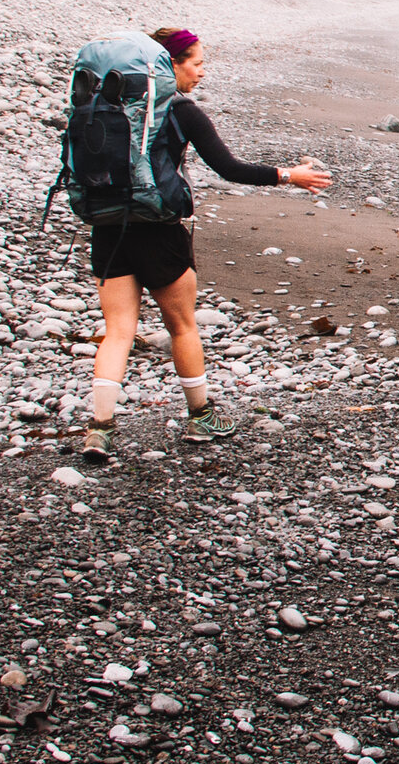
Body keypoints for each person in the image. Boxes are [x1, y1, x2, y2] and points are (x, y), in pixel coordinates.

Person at [80, 27, 331, 462]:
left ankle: (99, 429)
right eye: (196, 62)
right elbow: (229, 168)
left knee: (119, 331)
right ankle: (200, 417)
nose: (202, 72)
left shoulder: (102, 108)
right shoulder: (181, 111)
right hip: (161, 231)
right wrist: (290, 175)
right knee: (182, 326)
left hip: (107, 228)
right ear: (169, 66)